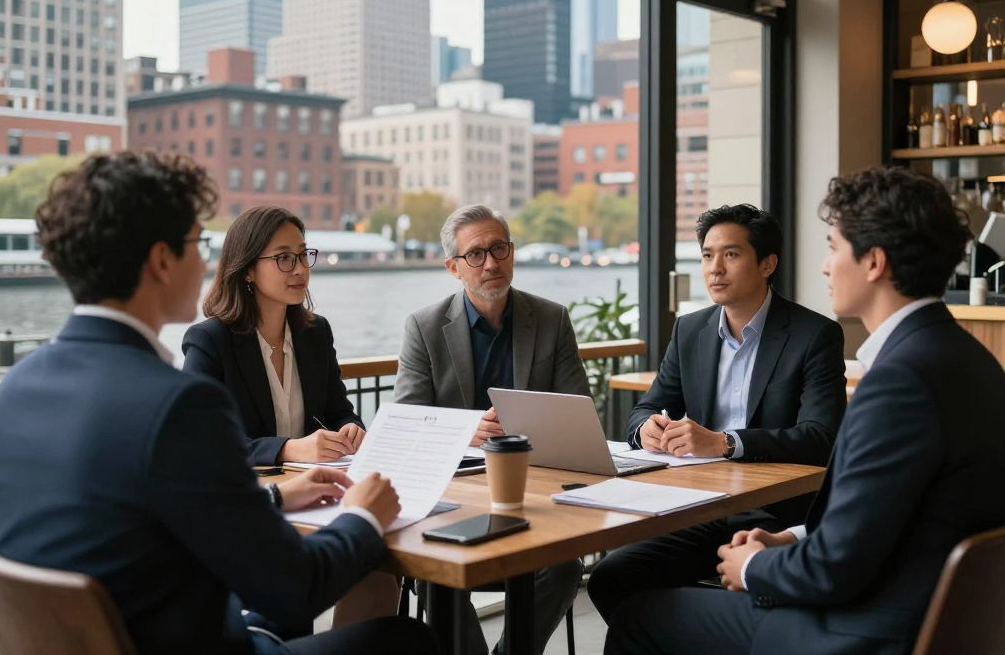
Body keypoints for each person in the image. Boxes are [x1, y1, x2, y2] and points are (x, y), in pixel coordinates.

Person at [0, 152, 436, 655]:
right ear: (161, 260)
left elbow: (136, 520)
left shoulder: (13, 393)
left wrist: (279, 497)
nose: (205, 262)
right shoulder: (179, 406)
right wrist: (364, 516)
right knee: (408, 638)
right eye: (198, 243)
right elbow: (294, 588)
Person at [605, 167, 1005, 655]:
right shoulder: (965, 358)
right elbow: (878, 518)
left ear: (874, 262)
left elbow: (834, 567)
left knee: (640, 616)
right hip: (930, 613)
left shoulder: (900, 382)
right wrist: (791, 538)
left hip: (863, 629)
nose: (824, 266)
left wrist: (752, 566)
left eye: (834, 247)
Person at [588, 204, 846, 623]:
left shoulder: (814, 335)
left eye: (731, 254)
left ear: (767, 263)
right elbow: (646, 408)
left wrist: (727, 443)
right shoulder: (690, 330)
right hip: (697, 506)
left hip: (774, 515)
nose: (714, 269)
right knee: (611, 576)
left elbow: (821, 437)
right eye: (707, 255)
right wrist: (646, 430)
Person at [394, 203, 587, 655]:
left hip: (533, 492)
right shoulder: (424, 327)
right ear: (453, 268)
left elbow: (579, 411)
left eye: (499, 248)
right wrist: (464, 430)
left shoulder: (552, 318)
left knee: (562, 568)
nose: (491, 263)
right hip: (454, 494)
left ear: (513, 252)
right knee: (437, 568)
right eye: (476, 255)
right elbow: (407, 420)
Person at [183, 206, 364, 466]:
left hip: (316, 487)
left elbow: (339, 413)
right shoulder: (209, 341)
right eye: (284, 258)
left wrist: (350, 429)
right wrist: (286, 449)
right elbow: (200, 439)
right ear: (247, 269)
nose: (300, 269)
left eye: (303, 255)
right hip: (247, 493)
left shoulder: (316, 333)